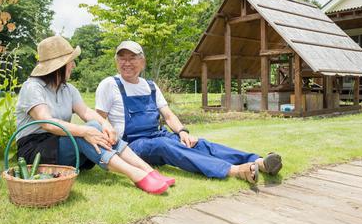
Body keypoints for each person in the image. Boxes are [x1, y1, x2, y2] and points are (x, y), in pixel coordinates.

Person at [95, 40, 283, 183]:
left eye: (132, 58)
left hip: (157, 135)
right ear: (116, 61)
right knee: (164, 145)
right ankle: (233, 170)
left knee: (198, 144)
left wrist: (183, 132)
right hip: (131, 146)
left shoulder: (150, 86)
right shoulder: (109, 85)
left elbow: (168, 115)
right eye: (122, 58)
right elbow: (99, 120)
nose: (126, 63)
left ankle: (258, 161)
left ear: (142, 62)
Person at [15, 36, 174, 195]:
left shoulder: (68, 89)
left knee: (96, 126)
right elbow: (47, 123)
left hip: (60, 144)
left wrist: (107, 125)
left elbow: (86, 112)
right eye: (71, 61)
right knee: (85, 131)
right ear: (60, 66)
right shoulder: (32, 87)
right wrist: (85, 131)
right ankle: (135, 174)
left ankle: (148, 170)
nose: (73, 65)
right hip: (35, 150)